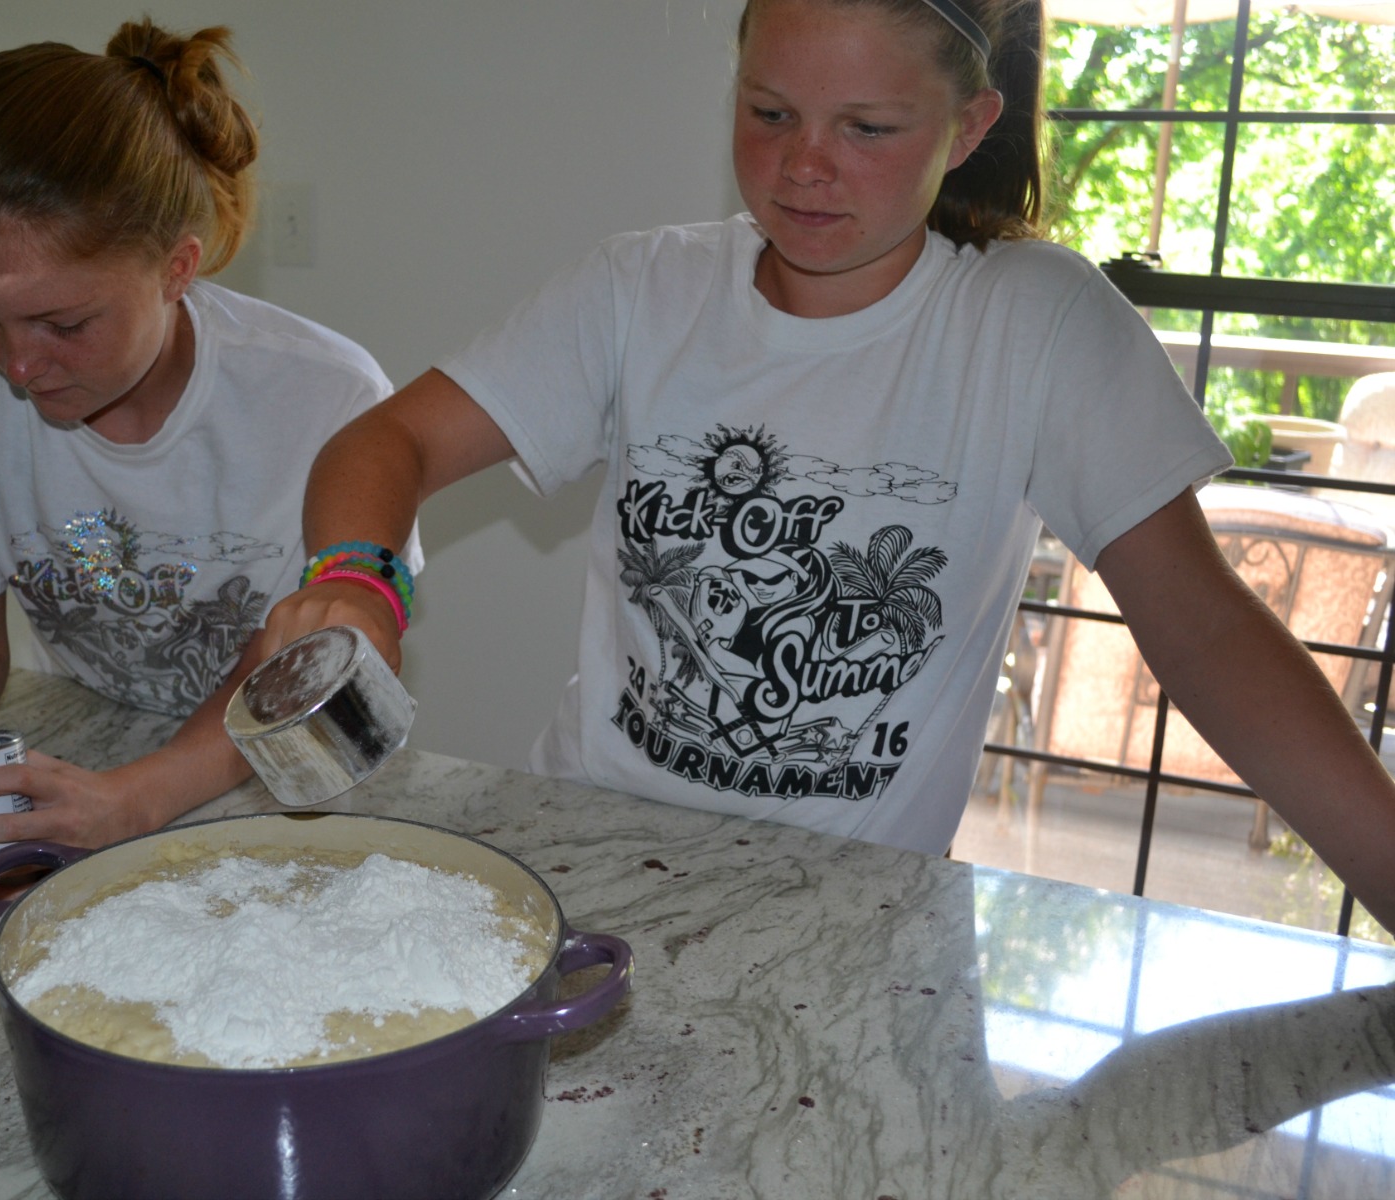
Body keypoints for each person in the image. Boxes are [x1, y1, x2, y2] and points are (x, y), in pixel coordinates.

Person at [259, 0, 1395, 930]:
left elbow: (1204, 631)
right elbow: (386, 441)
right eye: (769, 112)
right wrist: (357, 584)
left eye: (868, 128)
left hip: (850, 912)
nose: (804, 166)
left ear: (967, 126)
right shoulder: (640, 291)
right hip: (588, 860)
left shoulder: (1035, 323)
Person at [0, 20, 409, 855]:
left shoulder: (325, 399)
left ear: (178, 269)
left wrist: (135, 802)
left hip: (292, 794)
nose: (20, 366)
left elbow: (300, 686)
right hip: (99, 773)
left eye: (63, 322)